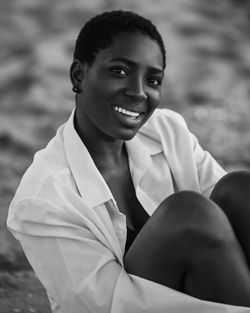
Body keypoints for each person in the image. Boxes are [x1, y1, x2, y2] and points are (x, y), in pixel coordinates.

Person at [7, 10, 250, 313]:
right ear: (79, 75)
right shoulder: (43, 198)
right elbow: (104, 305)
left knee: (240, 188)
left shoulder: (166, 131)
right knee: (187, 214)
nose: (138, 92)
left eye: (153, 79)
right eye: (120, 71)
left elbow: (229, 227)